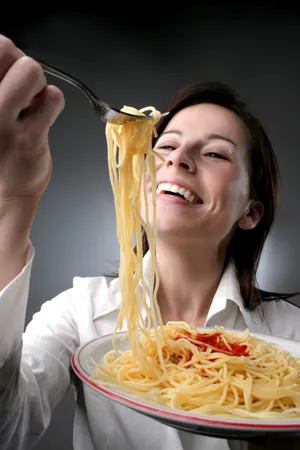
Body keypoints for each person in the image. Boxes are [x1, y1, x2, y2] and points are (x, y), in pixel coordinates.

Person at [0, 33, 299, 450]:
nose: (177, 159)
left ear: (251, 211)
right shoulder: (80, 312)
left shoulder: (290, 336)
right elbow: (7, 430)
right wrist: (16, 197)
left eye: (215, 153)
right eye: (166, 145)